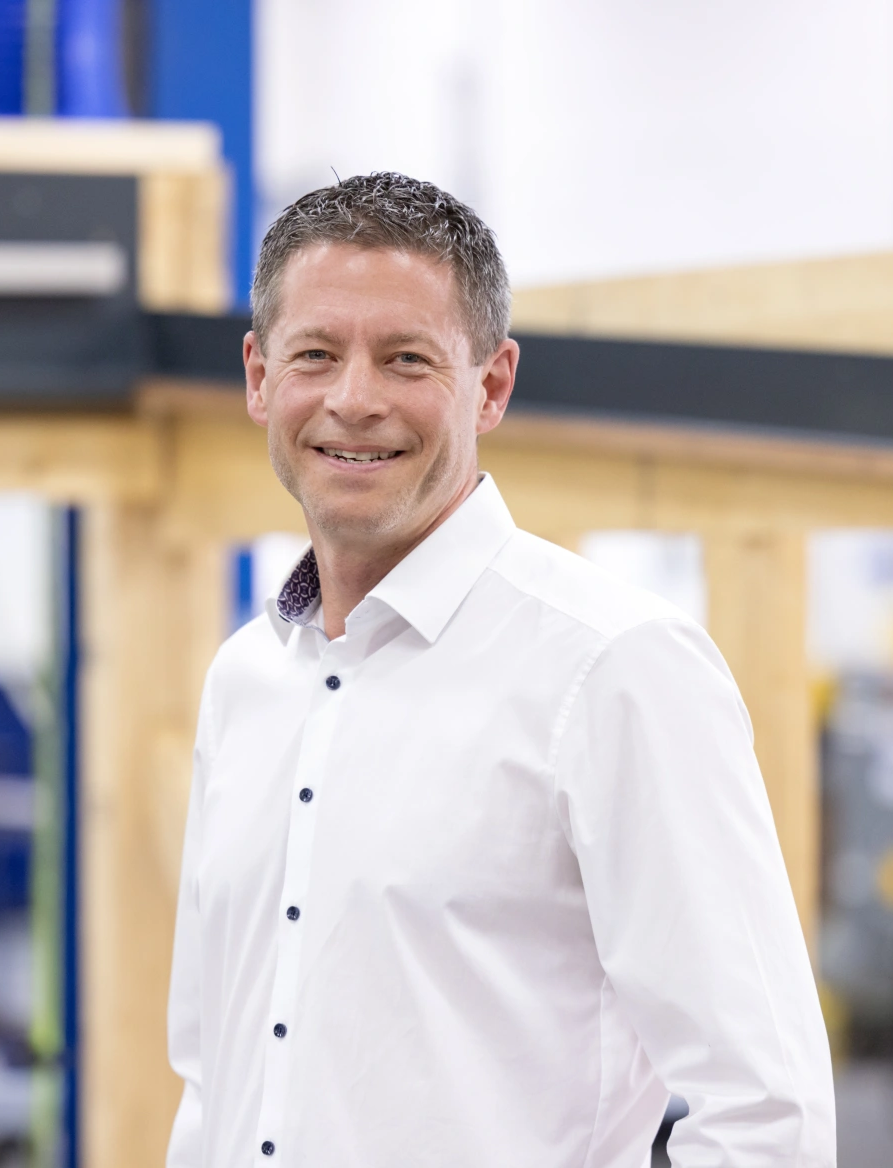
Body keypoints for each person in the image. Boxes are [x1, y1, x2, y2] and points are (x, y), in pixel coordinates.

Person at [164, 172, 835, 1167]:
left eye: (406, 359)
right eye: (316, 354)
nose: (354, 399)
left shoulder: (614, 669)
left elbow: (766, 1114)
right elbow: (212, 1079)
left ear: (491, 384)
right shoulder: (248, 679)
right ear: (260, 376)